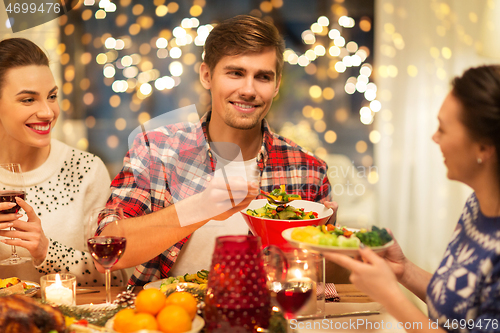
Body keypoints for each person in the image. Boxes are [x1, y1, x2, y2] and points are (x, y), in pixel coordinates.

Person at [101, 15, 337, 286]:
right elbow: (108, 250)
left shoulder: (308, 170)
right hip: (170, 321)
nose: (249, 90)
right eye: (235, 73)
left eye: (262, 77)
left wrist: (325, 246)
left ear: (277, 85)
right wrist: (201, 207)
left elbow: (327, 284)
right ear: (206, 75)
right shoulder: (156, 151)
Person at [325, 65, 500, 332]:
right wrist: (404, 270)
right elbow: (459, 309)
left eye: (443, 129)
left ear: (484, 147)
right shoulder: (476, 207)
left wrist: (390, 296)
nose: (434, 137)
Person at [0, 38, 127, 286]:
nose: (48, 112)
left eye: (51, 96)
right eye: (28, 99)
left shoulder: (86, 169)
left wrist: (47, 251)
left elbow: (115, 278)